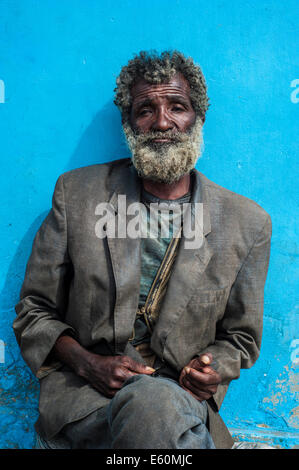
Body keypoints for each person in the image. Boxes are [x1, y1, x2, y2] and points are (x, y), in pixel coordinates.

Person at [13, 50, 272, 449]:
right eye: (145, 109)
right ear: (128, 123)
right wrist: (89, 364)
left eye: (177, 107)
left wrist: (212, 369)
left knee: (157, 407)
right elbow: (34, 312)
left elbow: (241, 336)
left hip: (183, 403)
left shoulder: (246, 223)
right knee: (157, 414)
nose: (162, 122)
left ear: (198, 118)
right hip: (88, 400)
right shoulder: (78, 196)